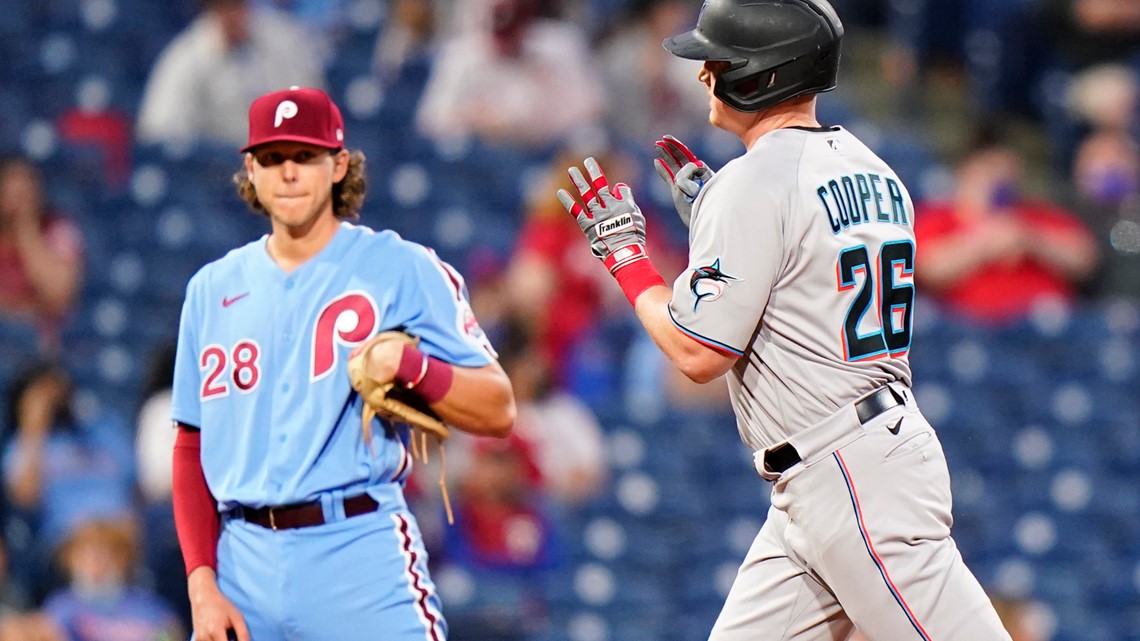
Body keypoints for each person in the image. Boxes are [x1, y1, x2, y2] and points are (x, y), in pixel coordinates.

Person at [555, 1, 1013, 639]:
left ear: (759, 75)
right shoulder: (874, 169)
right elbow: (805, 267)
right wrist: (723, 220)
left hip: (850, 475)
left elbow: (696, 353)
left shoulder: (756, 184)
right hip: (837, 467)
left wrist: (627, 258)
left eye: (717, 61)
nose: (702, 74)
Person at [170, 86, 515, 641]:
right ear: (250, 170)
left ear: (339, 165)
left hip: (356, 551)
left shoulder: (401, 268)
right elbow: (190, 448)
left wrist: (416, 369)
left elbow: (499, 408)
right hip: (241, 564)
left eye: (304, 157)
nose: (288, 173)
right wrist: (201, 584)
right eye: (273, 158)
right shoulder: (211, 289)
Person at [914, 126, 1098, 323]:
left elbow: (1084, 260)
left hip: (1048, 321)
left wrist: (1031, 239)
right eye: (991, 168)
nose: (1001, 177)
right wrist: (983, 242)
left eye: (1010, 169)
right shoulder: (938, 216)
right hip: (973, 327)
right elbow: (929, 270)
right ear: (966, 170)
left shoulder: (1039, 213)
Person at [136, 0, 326, 148]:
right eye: (222, 7)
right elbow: (159, 132)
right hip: (219, 176)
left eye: (237, 5)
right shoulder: (185, 58)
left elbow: (315, 107)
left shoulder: (284, 38)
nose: (232, 15)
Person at [42, 519, 183, 641]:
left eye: (103, 555)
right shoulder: (59, 607)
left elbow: (171, 634)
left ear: (123, 559)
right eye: (84, 555)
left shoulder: (151, 608)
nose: (94, 565)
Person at [0, 156, 84, 351]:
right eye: (13, 192)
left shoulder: (57, 229)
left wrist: (26, 229)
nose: (21, 200)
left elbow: (59, 294)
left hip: (42, 342)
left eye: (27, 191)